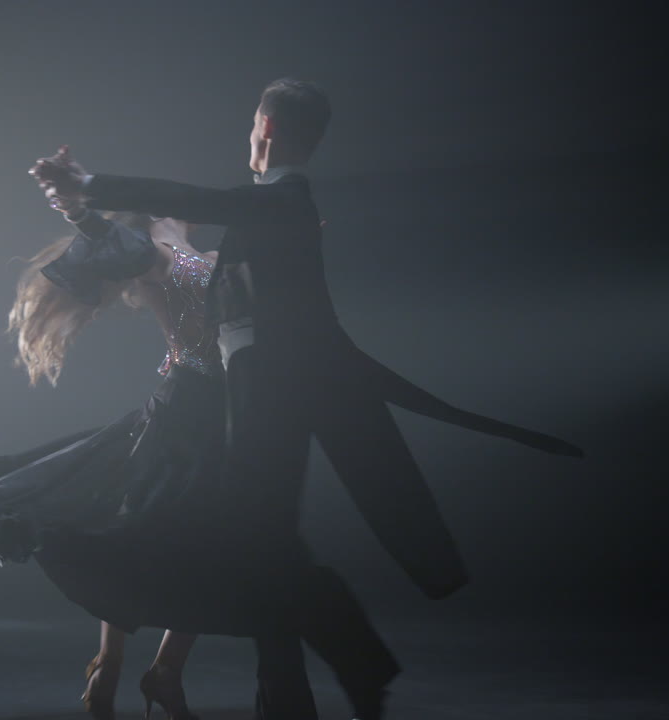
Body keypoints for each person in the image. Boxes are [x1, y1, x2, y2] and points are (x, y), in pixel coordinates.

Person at [31, 77, 583, 720]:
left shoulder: (273, 205)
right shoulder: (232, 224)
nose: (246, 137)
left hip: (261, 400)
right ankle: (292, 680)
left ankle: (303, 674)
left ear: (264, 128)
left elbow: (204, 208)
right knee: (233, 542)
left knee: (251, 545)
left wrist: (91, 185)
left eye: (249, 126)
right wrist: (81, 206)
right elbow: (145, 240)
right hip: (226, 399)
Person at [0, 206, 224, 720]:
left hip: (221, 411)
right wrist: (80, 209)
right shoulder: (152, 249)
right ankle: (119, 664)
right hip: (189, 409)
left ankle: (150, 669)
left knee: (206, 540)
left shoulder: (191, 250)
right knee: (145, 531)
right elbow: (127, 247)